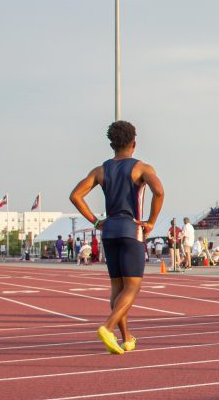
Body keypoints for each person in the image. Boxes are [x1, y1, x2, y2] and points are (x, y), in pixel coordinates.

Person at [69, 120, 165, 354]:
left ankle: (126, 338)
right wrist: (151, 221)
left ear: (112, 144)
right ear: (134, 143)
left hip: (109, 230)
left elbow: (75, 196)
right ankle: (107, 327)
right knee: (132, 287)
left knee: (117, 287)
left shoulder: (100, 170)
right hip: (131, 230)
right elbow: (159, 192)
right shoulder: (142, 168)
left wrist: (95, 221)